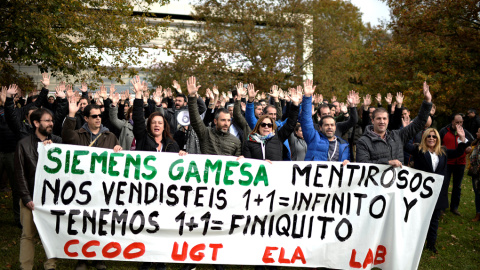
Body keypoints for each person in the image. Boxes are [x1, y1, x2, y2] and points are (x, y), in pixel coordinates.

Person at [183, 76, 240, 270]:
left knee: (219, 225)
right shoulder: (205, 133)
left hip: (224, 191)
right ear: (215, 121)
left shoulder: (235, 142)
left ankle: (218, 260)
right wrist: (192, 97)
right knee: (197, 223)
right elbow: (194, 118)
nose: (226, 123)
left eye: (228, 120)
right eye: (222, 120)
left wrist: (241, 161)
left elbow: (241, 165)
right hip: (204, 187)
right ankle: (192, 260)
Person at [62, 96, 122, 270]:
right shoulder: (78, 135)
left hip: (103, 189)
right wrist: (71, 115)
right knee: (83, 224)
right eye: (94, 116)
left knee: (100, 224)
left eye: (99, 116)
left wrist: (118, 150)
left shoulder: (110, 136)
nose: (98, 118)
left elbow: (117, 163)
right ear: (86, 118)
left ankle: (98, 258)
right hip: (82, 188)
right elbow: (66, 137)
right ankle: (82, 258)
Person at [405, 126, 467, 254]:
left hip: (438, 192)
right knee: (419, 219)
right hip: (421, 192)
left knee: (434, 219)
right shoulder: (418, 150)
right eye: (429, 136)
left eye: (434, 136)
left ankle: (431, 244)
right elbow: (405, 145)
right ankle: (417, 243)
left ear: (437, 138)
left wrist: (461, 139)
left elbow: (458, 152)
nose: (431, 138)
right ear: (424, 137)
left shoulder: (443, 151)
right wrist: (407, 129)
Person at [15, 108, 62, 270]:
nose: (51, 124)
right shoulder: (23, 144)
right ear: (36, 123)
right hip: (31, 198)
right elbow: (19, 174)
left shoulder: (58, 142)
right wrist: (26, 198)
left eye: (52, 120)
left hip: (52, 198)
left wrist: (52, 150)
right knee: (28, 235)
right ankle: (26, 266)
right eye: (47, 120)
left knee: (52, 234)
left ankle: (51, 265)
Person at [356, 82, 433, 166]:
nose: (382, 121)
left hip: (397, 179)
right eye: (378, 118)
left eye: (384, 118)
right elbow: (362, 165)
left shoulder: (398, 136)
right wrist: (387, 163)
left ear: (388, 121)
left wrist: (427, 101)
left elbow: (419, 123)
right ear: (372, 120)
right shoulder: (363, 141)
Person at [298, 80, 354, 164]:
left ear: (335, 127)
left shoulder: (344, 145)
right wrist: (307, 97)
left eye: (332, 125)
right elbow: (306, 120)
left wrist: (347, 163)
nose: (330, 127)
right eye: (326, 125)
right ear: (320, 127)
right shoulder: (313, 138)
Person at [241, 88, 300, 161]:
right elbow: (249, 164)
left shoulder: (279, 136)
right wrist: (250, 100)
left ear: (272, 127)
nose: (266, 127)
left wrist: (295, 105)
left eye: (269, 125)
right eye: (263, 125)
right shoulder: (249, 142)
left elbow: (291, 122)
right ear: (258, 126)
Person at [439, 113, 474, 215]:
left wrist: (469, 148)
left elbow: (471, 142)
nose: (459, 124)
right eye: (457, 122)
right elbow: (438, 144)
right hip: (447, 162)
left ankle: (454, 207)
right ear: (452, 122)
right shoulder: (444, 131)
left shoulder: (464, 132)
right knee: (444, 185)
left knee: (457, 186)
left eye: (461, 122)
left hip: (460, 162)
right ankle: (442, 207)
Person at [469, 127, 480, 221]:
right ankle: (478, 213)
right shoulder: (476, 143)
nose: (476, 133)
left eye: (478, 132)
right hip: (475, 172)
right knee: (477, 192)